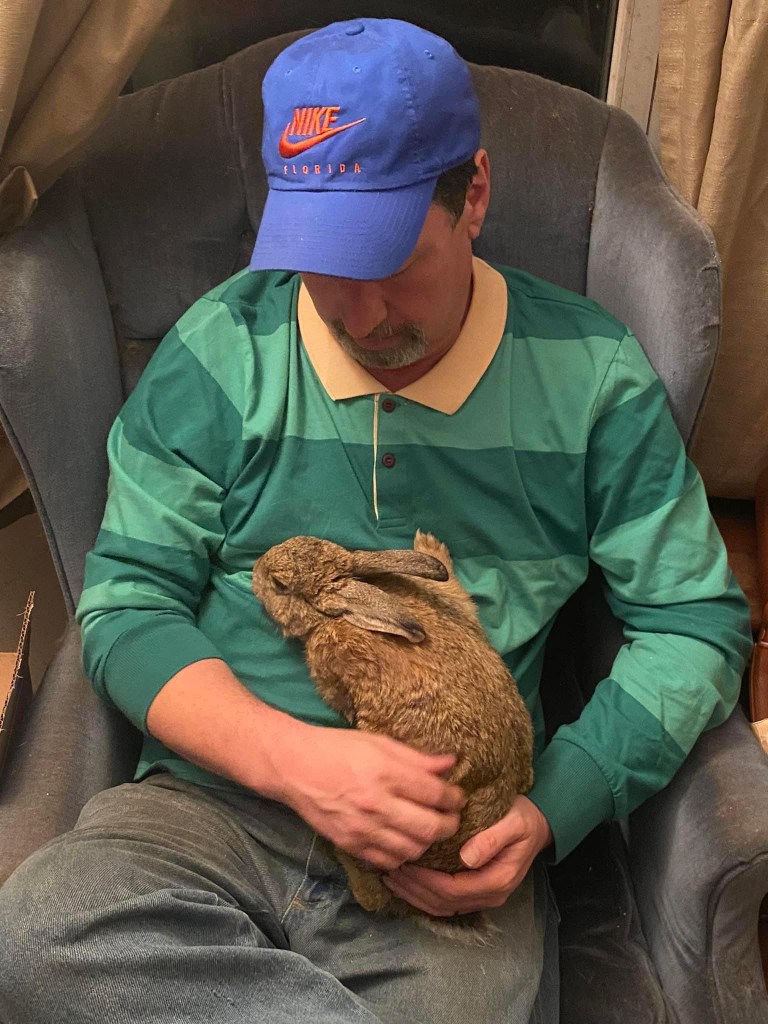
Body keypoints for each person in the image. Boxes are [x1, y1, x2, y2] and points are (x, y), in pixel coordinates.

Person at [0, 17, 751, 1024]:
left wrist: (549, 810)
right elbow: (129, 605)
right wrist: (294, 759)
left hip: (439, 858)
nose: (358, 317)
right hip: (212, 810)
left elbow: (694, 622)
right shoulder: (220, 348)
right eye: (322, 264)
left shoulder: (592, 380)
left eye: (391, 260)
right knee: (37, 936)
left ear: (473, 193)